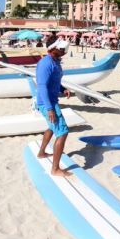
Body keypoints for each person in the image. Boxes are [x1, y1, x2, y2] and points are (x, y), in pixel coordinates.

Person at [35, 39, 73, 177]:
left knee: (52, 127)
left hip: (51, 101)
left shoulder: (55, 61)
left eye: (64, 49)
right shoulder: (45, 64)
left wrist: (62, 89)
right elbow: (42, 86)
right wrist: (50, 108)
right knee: (62, 132)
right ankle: (55, 169)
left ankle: (41, 153)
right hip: (47, 103)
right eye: (61, 49)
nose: (64, 51)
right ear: (52, 48)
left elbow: (54, 80)